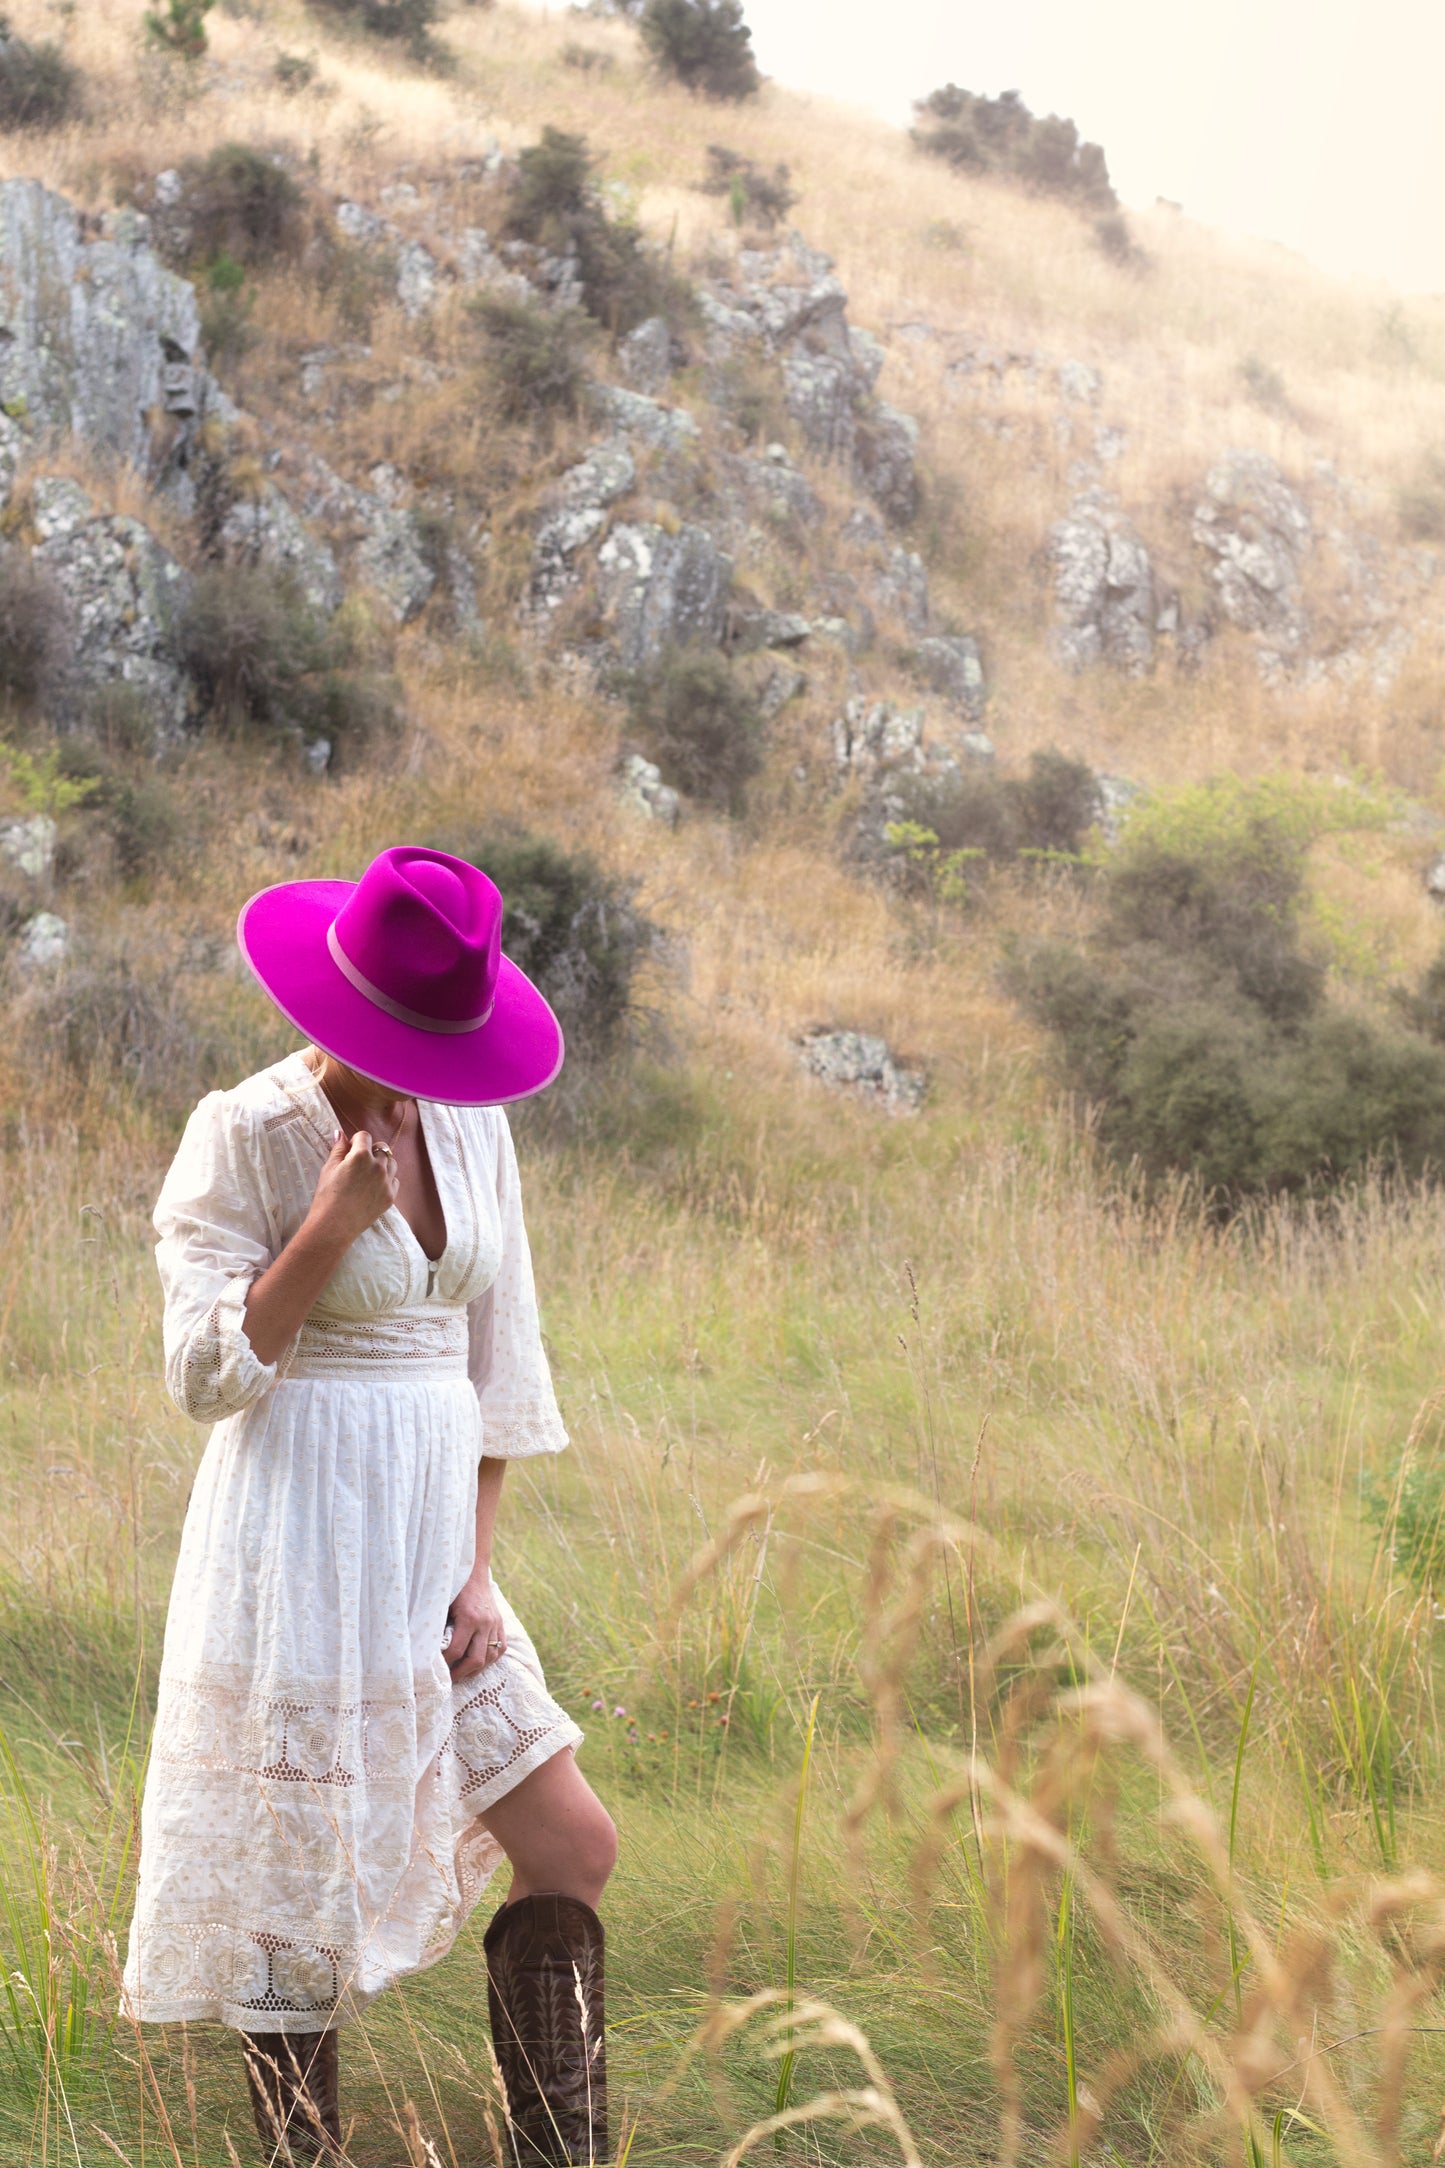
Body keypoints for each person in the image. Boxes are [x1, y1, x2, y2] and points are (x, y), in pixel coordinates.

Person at [120, 845, 616, 2165]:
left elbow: (498, 1368)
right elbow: (201, 1374)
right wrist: (329, 1228)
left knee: (570, 1840)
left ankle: (554, 2159)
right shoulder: (246, 1132)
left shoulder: (471, 1121)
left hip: (433, 1558)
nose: (419, 1077)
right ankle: (302, 2155)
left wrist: (477, 1569)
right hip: (294, 1544)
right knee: (291, 1899)